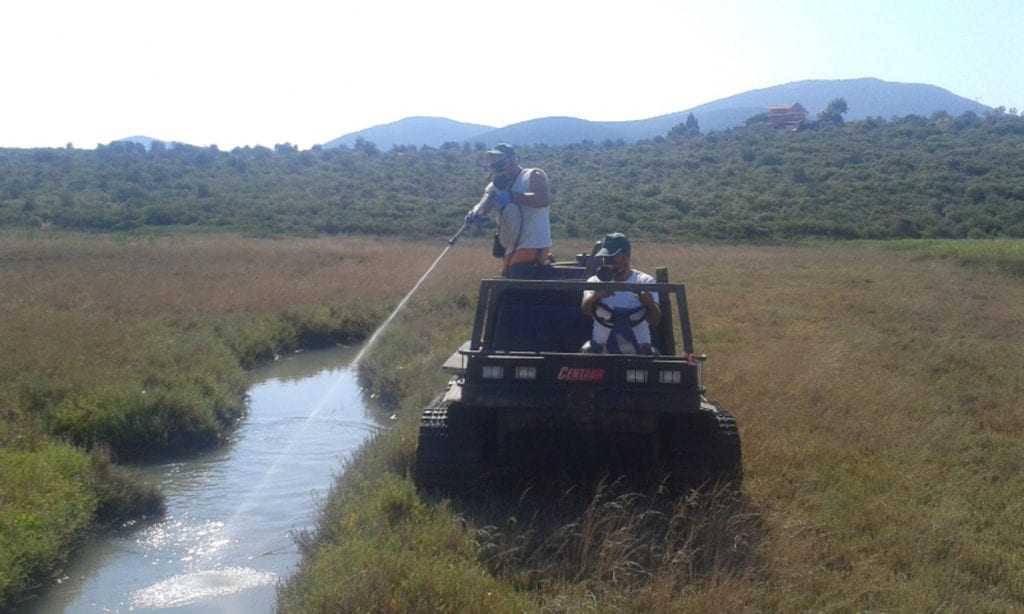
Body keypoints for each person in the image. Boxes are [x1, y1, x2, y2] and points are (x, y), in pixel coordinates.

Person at [465, 143, 552, 278]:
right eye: (493, 163)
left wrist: (513, 196)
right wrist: (475, 213)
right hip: (510, 247)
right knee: (509, 280)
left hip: (533, 244)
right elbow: (484, 203)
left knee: (517, 281)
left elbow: (542, 199)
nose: (497, 167)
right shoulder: (496, 185)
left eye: (499, 162)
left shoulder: (532, 175)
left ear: (513, 160)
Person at [581, 233, 662, 354]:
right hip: (601, 347)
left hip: (640, 348)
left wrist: (649, 303)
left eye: (613, 257)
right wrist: (596, 296)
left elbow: (655, 320)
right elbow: (585, 310)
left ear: (626, 257)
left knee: (652, 356)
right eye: (605, 257)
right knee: (586, 352)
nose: (607, 261)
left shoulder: (645, 281)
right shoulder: (595, 281)